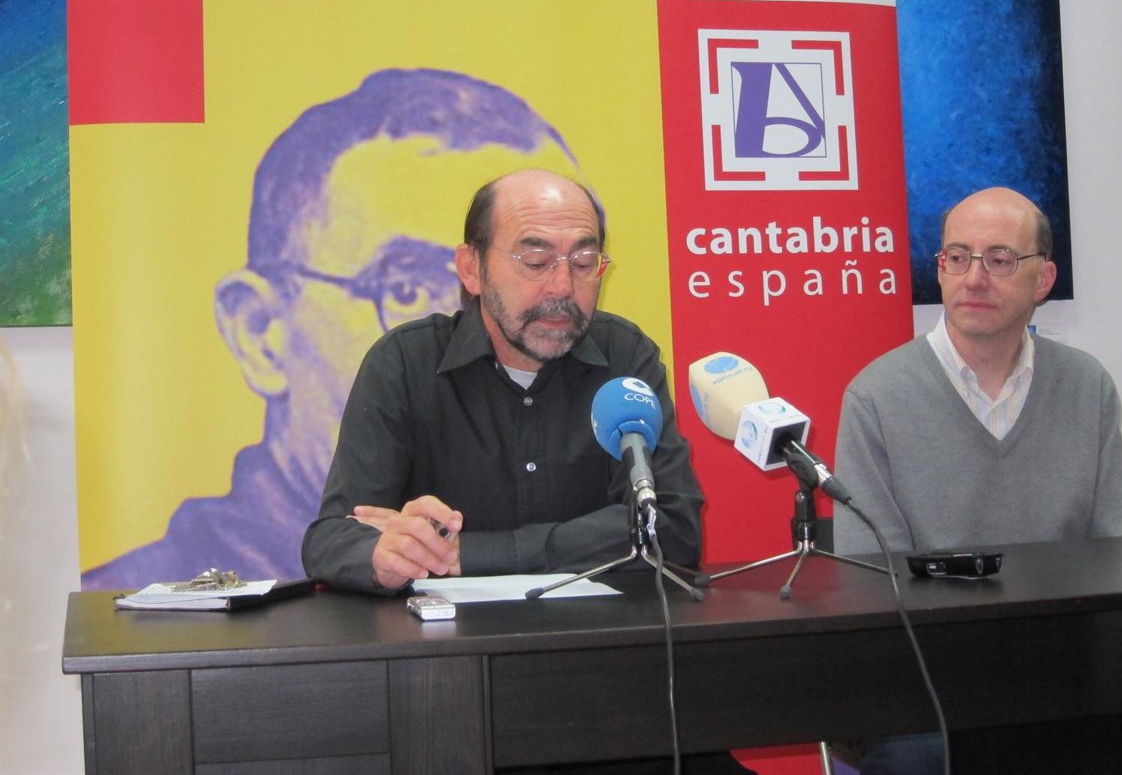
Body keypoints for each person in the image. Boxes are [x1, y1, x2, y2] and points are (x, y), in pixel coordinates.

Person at [82, 69, 579, 590]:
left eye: (568, 264)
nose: (476, 330)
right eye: (405, 289)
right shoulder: (141, 601)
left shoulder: (609, 368)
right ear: (260, 332)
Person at [831, 186, 1122, 775]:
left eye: (999, 259)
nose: (974, 278)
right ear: (940, 270)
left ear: (1043, 279)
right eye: (957, 257)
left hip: (1062, 665)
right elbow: (872, 578)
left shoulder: (1086, 386)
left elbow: (1119, 552)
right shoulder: (876, 396)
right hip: (930, 678)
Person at [301, 168, 704, 591]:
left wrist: (468, 554)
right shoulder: (405, 362)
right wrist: (386, 554)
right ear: (471, 268)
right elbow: (333, 539)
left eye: (583, 263)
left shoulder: (623, 356)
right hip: (444, 633)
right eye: (536, 262)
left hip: (598, 631)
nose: (562, 287)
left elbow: (671, 528)